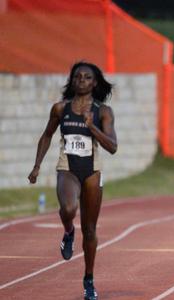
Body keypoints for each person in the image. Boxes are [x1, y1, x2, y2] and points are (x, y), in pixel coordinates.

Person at [28, 61, 117, 300]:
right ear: (72, 80)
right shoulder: (60, 109)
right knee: (68, 209)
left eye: (87, 78)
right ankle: (68, 231)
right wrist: (36, 166)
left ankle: (88, 280)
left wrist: (92, 127)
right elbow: (47, 135)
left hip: (92, 170)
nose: (82, 81)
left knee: (90, 230)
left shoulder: (103, 111)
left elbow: (112, 147)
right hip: (67, 166)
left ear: (94, 82)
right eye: (77, 77)